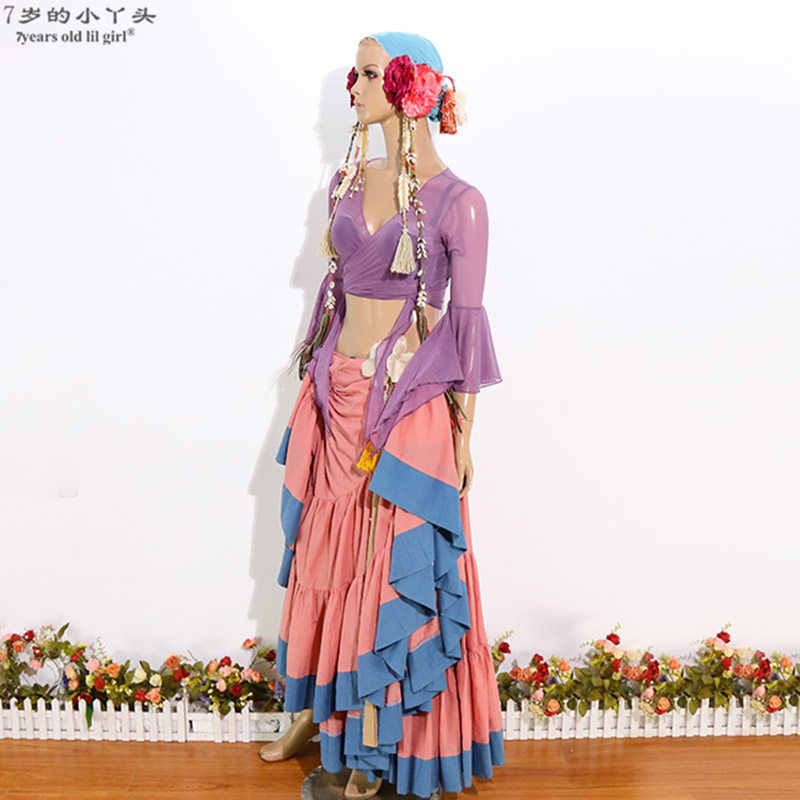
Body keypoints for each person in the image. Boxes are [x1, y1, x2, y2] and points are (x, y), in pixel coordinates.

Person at [260, 31, 505, 800]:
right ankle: (316, 708)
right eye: (354, 75)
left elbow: (464, 328)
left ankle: (373, 743)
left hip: (404, 401)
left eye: (367, 75)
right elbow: (334, 293)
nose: (354, 89)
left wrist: (465, 435)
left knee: (380, 565)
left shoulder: (460, 203)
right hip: (335, 391)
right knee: (323, 556)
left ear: (408, 87)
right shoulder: (346, 183)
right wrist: (317, 369)